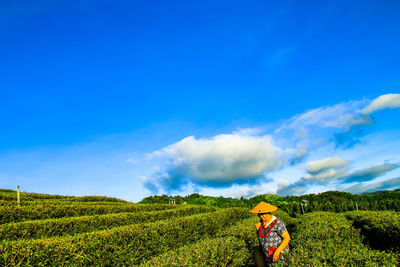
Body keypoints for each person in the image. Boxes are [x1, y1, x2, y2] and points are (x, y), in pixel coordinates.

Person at [250, 202, 290, 267]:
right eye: (260, 214)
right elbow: (262, 238)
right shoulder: (261, 224)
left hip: (279, 255)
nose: (263, 216)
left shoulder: (278, 223)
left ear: (269, 212)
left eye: (264, 214)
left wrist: (278, 251)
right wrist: (258, 230)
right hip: (268, 257)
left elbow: (287, 237)